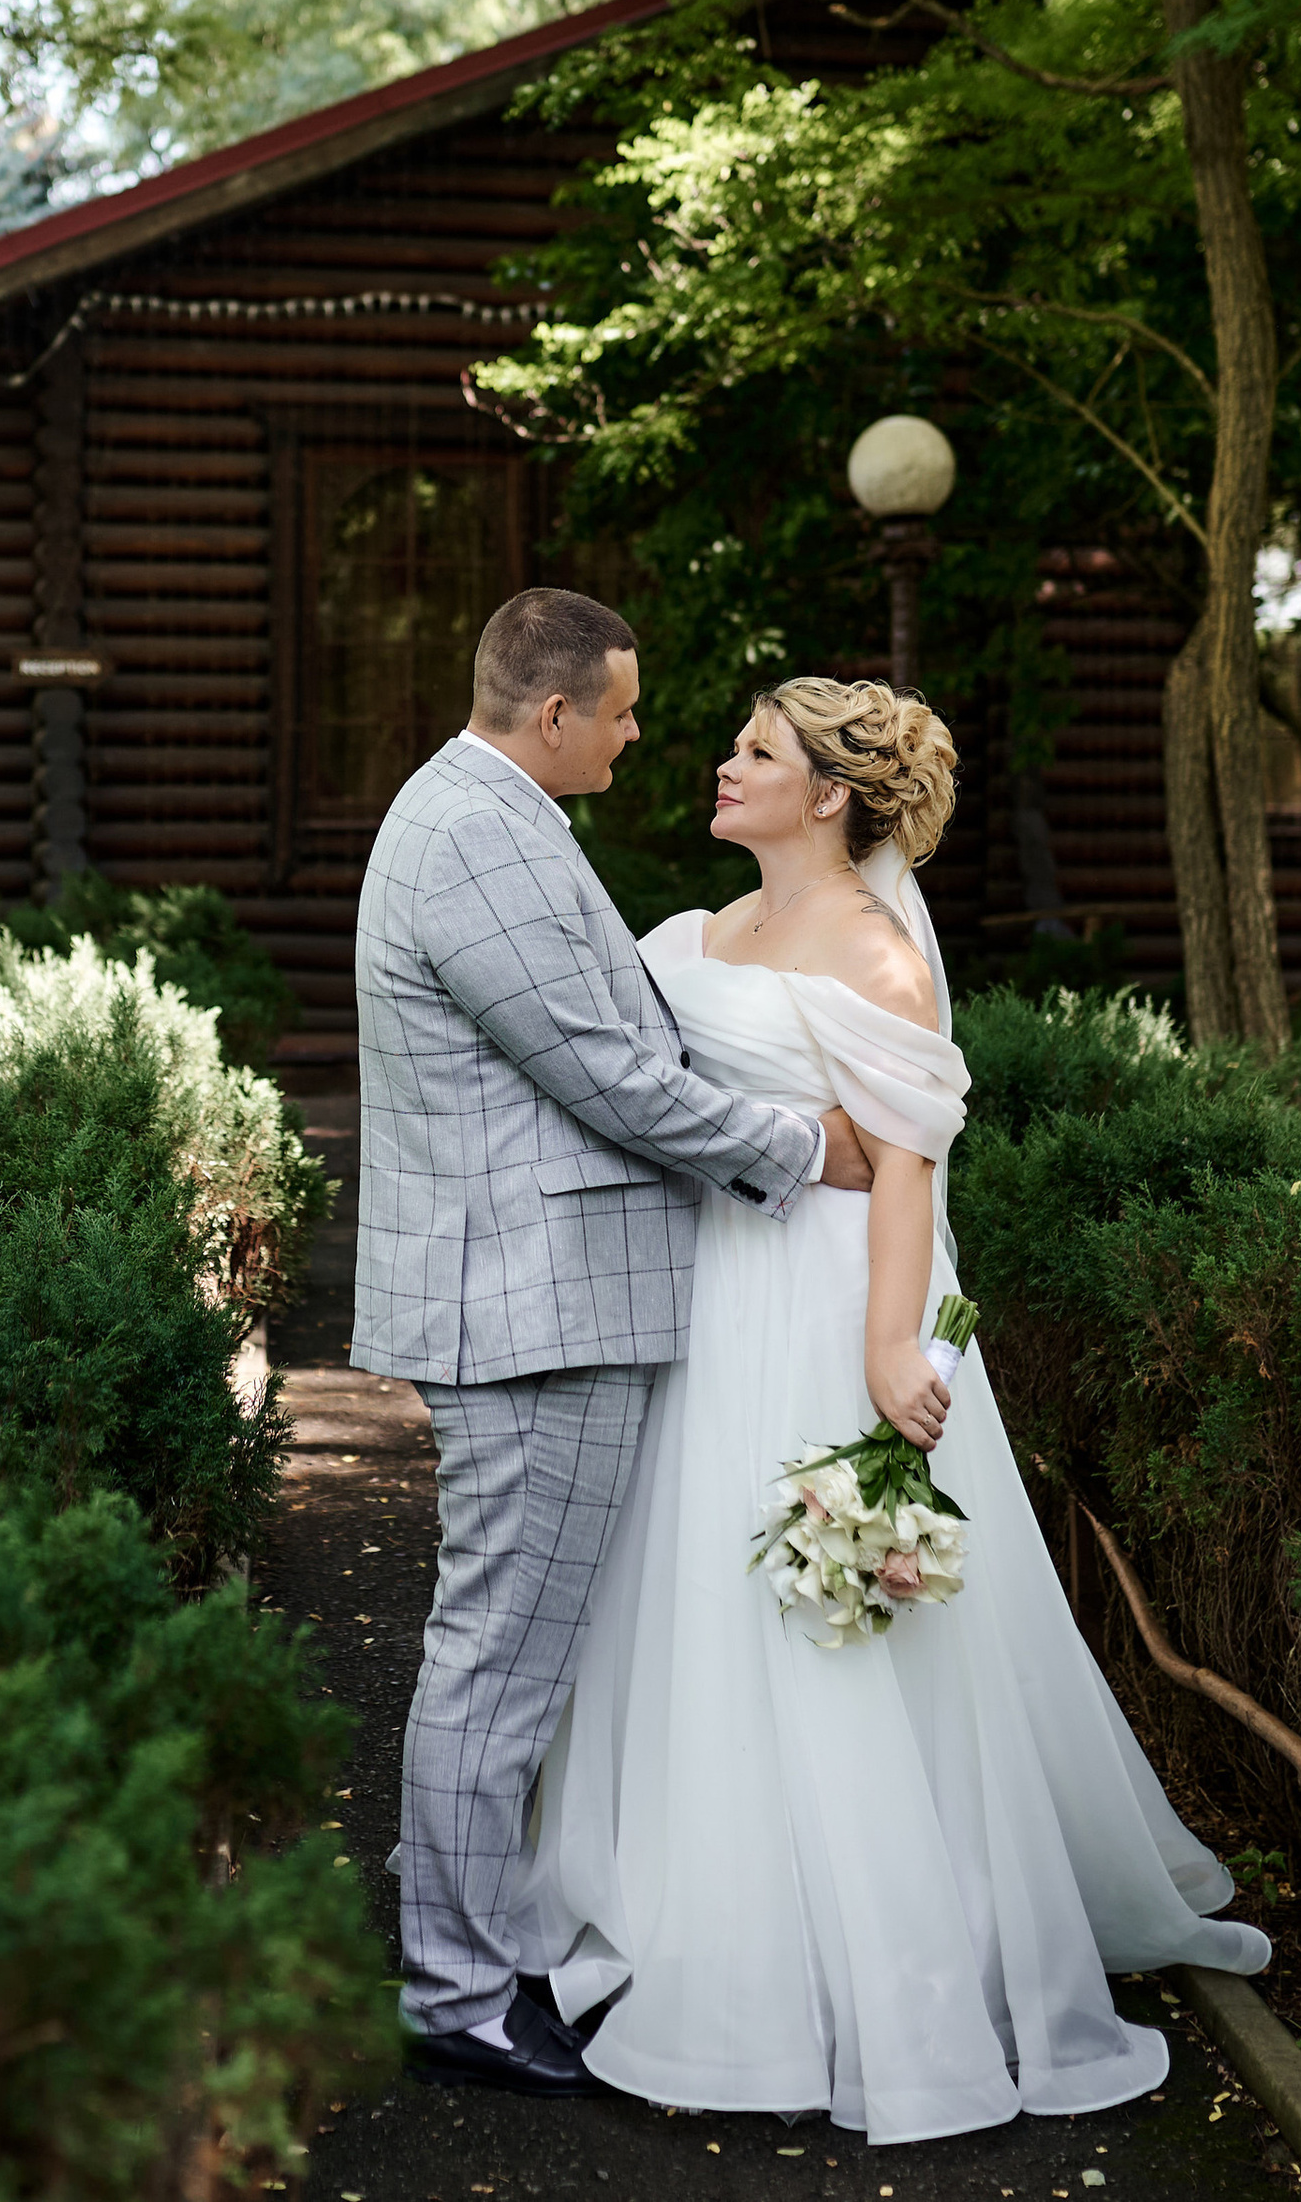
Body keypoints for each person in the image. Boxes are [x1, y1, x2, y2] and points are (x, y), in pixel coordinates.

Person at [507, 674, 1269, 2144]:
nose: (722, 769)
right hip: (710, 1293)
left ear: (832, 795)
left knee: (819, 1623)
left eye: (755, 753)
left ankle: (862, 1948)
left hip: (821, 1304)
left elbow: (908, 1168)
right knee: (691, 1605)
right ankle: (689, 1893)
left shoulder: (877, 957)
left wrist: (884, 1351)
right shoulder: (709, 934)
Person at [351, 588, 882, 2100]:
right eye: (630, 711)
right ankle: (456, 1993)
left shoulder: (499, 815)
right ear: (556, 714)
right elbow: (606, 1073)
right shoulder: (476, 834)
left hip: (538, 1296)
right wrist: (802, 1149)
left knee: (510, 1652)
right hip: (531, 1308)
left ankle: (484, 1946)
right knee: (498, 1658)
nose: (646, 735)